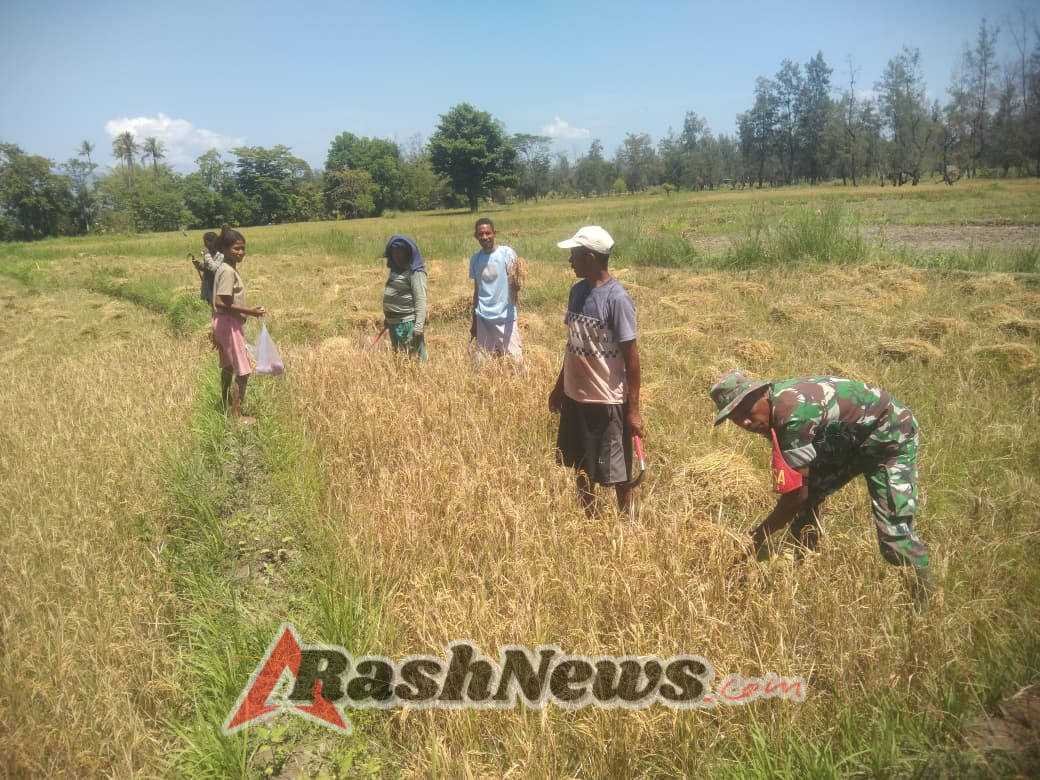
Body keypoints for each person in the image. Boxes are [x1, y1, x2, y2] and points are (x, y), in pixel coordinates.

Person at [709, 370, 932, 608]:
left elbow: (794, 496)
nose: (745, 422)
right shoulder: (772, 410)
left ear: (762, 393)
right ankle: (803, 562)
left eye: (746, 410)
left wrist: (755, 538)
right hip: (850, 439)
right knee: (809, 497)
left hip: (890, 435)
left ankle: (925, 598)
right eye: (735, 418)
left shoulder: (792, 414)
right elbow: (799, 486)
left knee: (894, 534)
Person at [548, 226, 644, 516]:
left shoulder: (617, 299)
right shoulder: (577, 292)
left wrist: (633, 410)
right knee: (580, 466)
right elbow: (573, 346)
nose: (570, 261)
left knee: (618, 472)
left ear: (590, 258)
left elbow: (632, 360)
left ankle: (628, 523)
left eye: (574, 255)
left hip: (607, 400)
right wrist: (559, 387)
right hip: (575, 397)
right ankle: (588, 517)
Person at [211, 224, 266, 422]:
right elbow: (220, 301)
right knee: (243, 371)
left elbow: (217, 303)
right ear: (224, 249)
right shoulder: (227, 271)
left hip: (221, 321)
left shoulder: (226, 268)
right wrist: (250, 311)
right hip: (229, 323)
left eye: (243, 248)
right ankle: (236, 417)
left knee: (228, 366)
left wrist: (214, 327)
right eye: (236, 248)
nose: (241, 252)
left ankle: (225, 402)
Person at [469, 218, 522, 361]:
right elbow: (477, 291)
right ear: (476, 236)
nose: (485, 237)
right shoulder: (475, 259)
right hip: (483, 317)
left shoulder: (507, 254)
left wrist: (517, 283)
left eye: (488, 233)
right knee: (484, 363)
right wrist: (474, 322)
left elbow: (516, 285)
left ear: (495, 233)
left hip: (505, 317)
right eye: (481, 234)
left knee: (514, 361)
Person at [382, 234, 428, 360]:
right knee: (400, 361)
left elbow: (421, 300)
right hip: (394, 324)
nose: (396, 255)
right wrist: (388, 318)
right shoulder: (396, 271)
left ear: (407, 253)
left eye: (400, 252)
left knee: (414, 360)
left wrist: (418, 327)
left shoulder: (416, 273)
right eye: (394, 252)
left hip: (408, 325)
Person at [190, 231, 223, 303]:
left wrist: (207, 255)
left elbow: (215, 269)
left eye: (209, 245)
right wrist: (199, 265)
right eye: (205, 244)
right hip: (208, 288)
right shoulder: (208, 254)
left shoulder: (221, 255)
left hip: (217, 288)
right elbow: (207, 268)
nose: (206, 247)